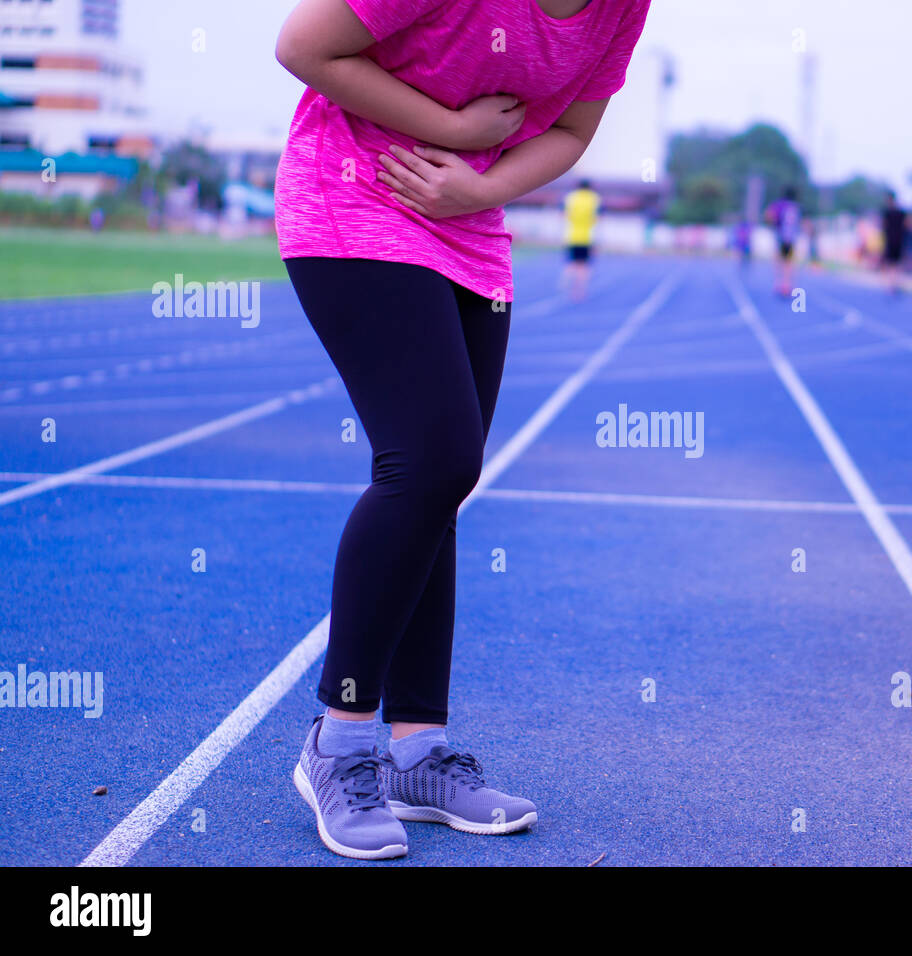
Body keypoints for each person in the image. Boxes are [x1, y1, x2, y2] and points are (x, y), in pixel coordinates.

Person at [274, 0, 650, 860]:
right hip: (354, 200)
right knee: (432, 458)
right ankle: (339, 740)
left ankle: (415, 751)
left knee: (442, 481)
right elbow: (304, 46)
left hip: (467, 226)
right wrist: (448, 127)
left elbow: (574, 129)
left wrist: (480, 186)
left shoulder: (625, 4)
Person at [562, 177, 600, 300]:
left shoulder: (571, 198)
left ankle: (567, 284)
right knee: (584, 266)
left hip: (571, 236)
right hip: (588, 237)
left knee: (572, 263)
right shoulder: (594, 199)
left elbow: (564, 215)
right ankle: (580, 291)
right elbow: (598, 218)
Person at [766, 186, 801, 296]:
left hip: (781, 237)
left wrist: (774, 224)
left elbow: (769, 215)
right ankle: (787, 285)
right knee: (789, 263)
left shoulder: (779, 205)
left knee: (779, 261)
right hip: (791, 238)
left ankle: (778, 284)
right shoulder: (796, 207)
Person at [880, 191, 911, 294]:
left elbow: (883, 226)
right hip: (898, 241)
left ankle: (892, 285)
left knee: (892, 264)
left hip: (894, 242)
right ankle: (894, 284)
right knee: (896, 264)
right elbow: (908, 225)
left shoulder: (888, 213)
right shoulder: (900, 213)